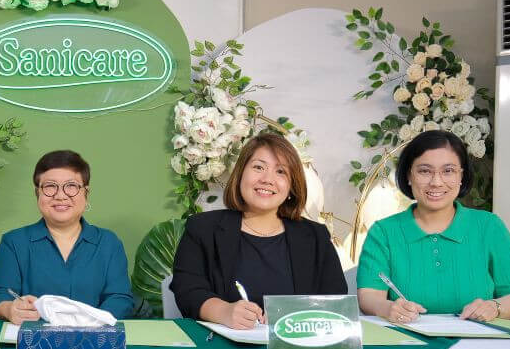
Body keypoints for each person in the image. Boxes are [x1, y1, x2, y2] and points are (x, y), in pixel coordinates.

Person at [170, 132, 346, 329]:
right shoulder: (203, 228)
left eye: (281, 172)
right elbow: (188, 290)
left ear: (292, 187)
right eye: (258, 167)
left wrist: (294, 317)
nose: (267, 179)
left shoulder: (315, 237)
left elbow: (336, 301)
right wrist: (224, 312)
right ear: (240, 174)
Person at [357, 129, 510, 323]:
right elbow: (369, 296)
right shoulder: (384, 232)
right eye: (424, 171)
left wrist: (494, 307)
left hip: (482, 345)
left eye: (448, 171)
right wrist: (389, 308)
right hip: (407, 343)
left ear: (461, 176)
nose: (436, 182)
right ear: (409, 176)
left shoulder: (489, 226)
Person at [0, 150, 133, 323]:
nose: (61, 196)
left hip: (95, 339)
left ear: (86, 193)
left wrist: (91, 324)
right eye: (50, 186)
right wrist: (9, 309)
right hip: (34, 340)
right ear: (37, 193)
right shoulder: (14, 242)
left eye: (71, 186)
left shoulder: (109, 242)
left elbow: (120, 297)